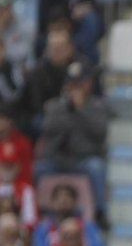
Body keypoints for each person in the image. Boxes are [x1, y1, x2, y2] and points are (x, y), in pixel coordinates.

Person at [34, 62, 109, 217]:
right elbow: (48, 130)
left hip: (83, 159)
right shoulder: (54, 106)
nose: (75, 89)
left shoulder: (97, 106)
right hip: (56, 159)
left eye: (79, 84)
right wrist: (70, 110)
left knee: (97, 168)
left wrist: (81, 110)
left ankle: (100, 211)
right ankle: (38, 210)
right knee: (39, 168)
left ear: (88, 84)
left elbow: (100, 133)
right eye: (72, 85)